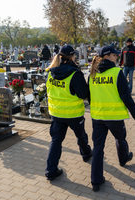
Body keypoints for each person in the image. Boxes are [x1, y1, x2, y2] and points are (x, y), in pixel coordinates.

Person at [89, 45, 135, 192]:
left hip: (97, 116)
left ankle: (95, 181)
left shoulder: (92, 74)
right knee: (120, 138)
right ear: (107, 56)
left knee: (98, 147)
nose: (117, 56)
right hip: (114, 117)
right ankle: (123, 159)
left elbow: (89, 95)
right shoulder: (116, 73)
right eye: (115, 55)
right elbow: (125, 96)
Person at [45, 45, 92, 181]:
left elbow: (49, 90)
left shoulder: (51, 72)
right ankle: (86, 154)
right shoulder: (75, 73)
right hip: (73, 114)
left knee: (56, 141)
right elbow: (83, 94)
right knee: (81, 136)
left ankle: (51, 170)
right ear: (72, 56)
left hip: (56, 113)